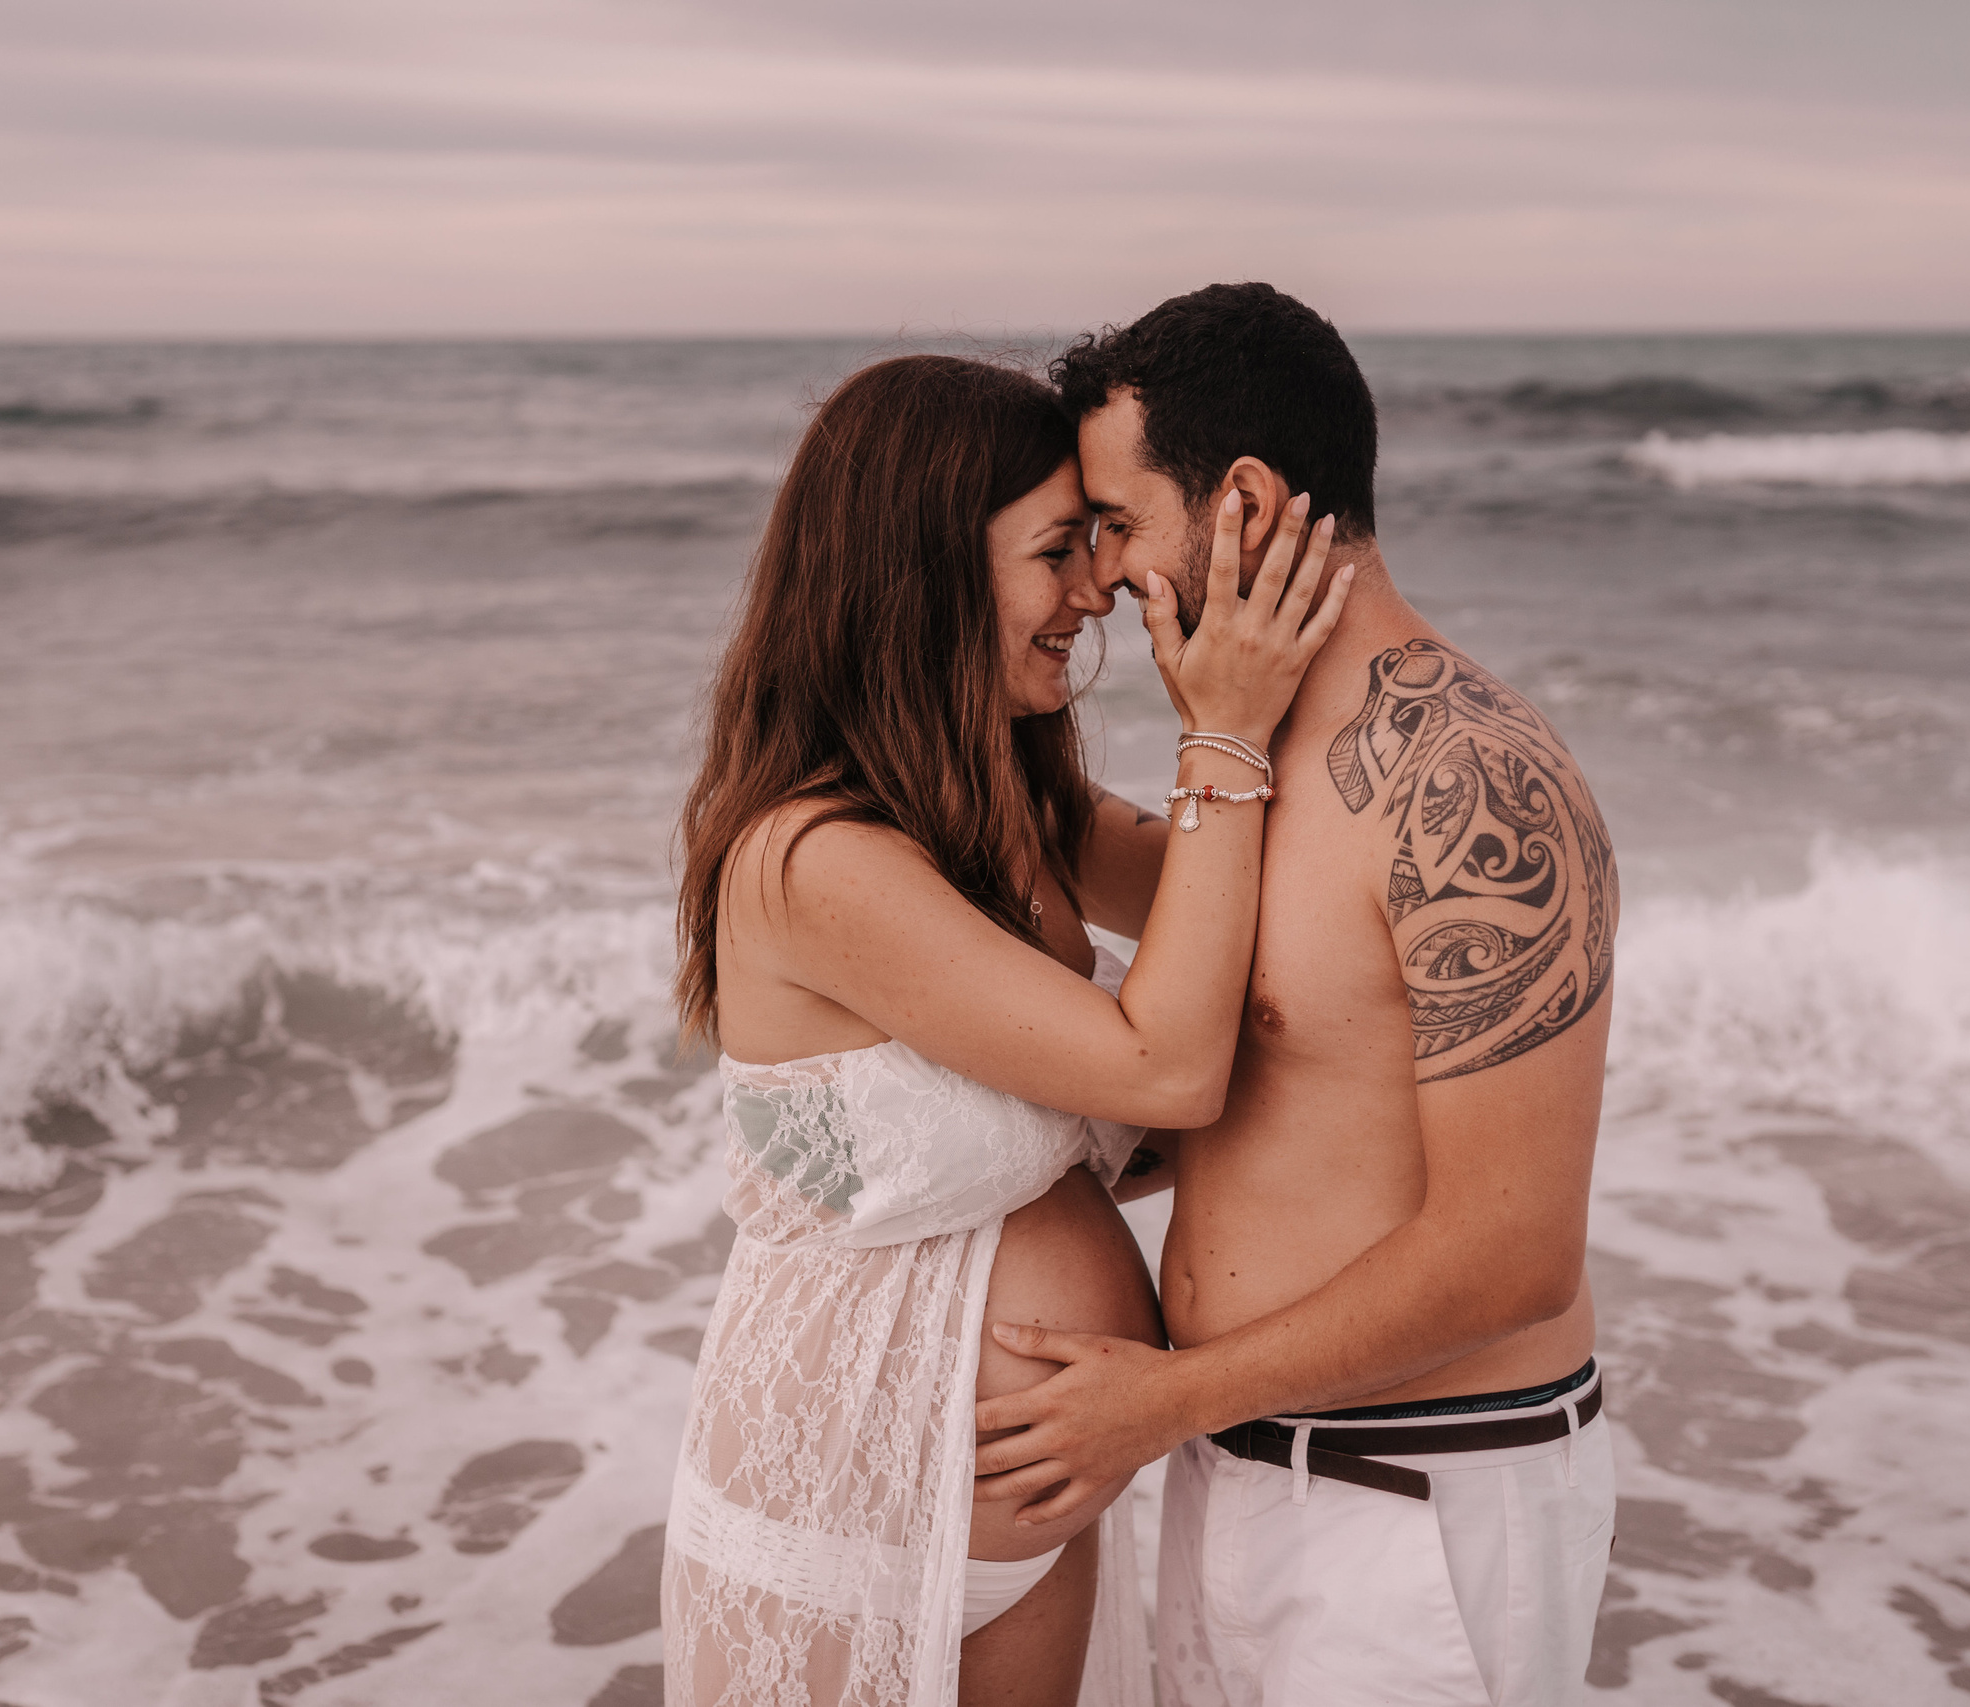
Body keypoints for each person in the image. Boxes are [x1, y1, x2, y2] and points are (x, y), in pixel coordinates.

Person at [660, 352, 1354, 1707]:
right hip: (841, 1506)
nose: (1095, 589)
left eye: (1101, 540)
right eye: (1057, 551)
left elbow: (1267, 910)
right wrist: (1223, 736)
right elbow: (1170, 1063)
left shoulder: (1017, 808)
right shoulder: (814, 862)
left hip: (1022, 1502)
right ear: (923, 574)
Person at [972, 284, 1622, 1706]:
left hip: (1414, 1506)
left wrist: (1161, 1402)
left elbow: (1516, 1250)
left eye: (1122, 531)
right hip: (1236, 1471)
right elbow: (1013, 824)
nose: (1104, 583)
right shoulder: (1245, 772)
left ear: (1249, 505)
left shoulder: (1468, 782)